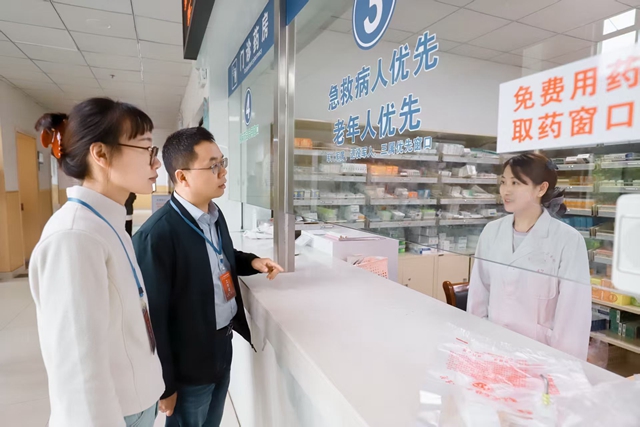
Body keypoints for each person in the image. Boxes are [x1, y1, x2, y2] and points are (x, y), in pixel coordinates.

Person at [133, 127, 284, 427]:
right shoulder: (157, 236)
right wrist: (166, 385)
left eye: (222, 162)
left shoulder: (213, 214)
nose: (223, 172)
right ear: (183, 177)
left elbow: (221, 257)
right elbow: (152, 320)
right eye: (213, 165)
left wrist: (253, 262)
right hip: (187, 362)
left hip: (221, 345)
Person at [29, 98, 165, 427]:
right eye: (146, 148)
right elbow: (77, 366)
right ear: (101, 154)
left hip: (136, 402)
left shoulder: (107, 222)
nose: (156, 162)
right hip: (112, 414)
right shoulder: (74, 236)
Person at [467, 153, 591, 360]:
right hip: (492, 349)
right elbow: (478, 296)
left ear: (541, 189)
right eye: (503, 182)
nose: (506, 190)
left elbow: (573, 316)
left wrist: (563, 368)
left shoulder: (568, 240)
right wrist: (476, 345)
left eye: (516, 183)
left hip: (540, 356)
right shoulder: (491, 232)